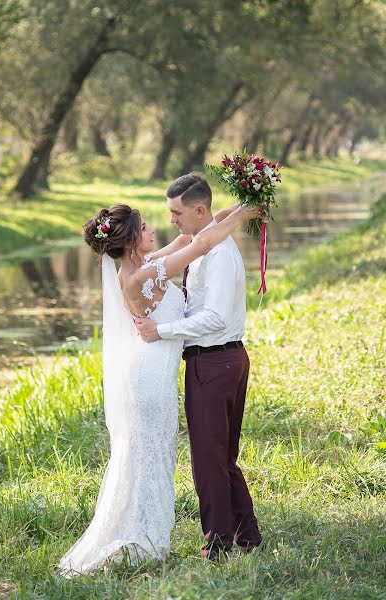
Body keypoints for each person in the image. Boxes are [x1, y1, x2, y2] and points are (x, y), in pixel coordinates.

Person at [57, 192, 262, 577]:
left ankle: (147, 531)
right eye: (146, 227)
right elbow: (200, 242)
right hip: (150, 376)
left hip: (156, 370)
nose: (156, 228)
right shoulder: (144, 274)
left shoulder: (144, 264)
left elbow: (193, 235)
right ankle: (141, 536)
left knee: (152, 454)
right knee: (147, 455)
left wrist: (238, 207)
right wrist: (244, 214)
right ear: (133, 241)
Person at [136, 172, 263, 560]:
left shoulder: (219, 254)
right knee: (221, 457)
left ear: (199, 210)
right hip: (216, 362)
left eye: (176, 212)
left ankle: (218, 545)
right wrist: (243, 207)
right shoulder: (202, 243)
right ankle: (248, 536)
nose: (171, 219)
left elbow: (215, 319)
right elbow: (210, 228)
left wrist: (162, 330)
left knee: (209, 461)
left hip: (217, 361)